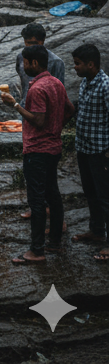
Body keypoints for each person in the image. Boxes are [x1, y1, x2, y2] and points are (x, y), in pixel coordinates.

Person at [0, 44, 67, 264]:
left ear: (34, 63)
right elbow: (70, 109)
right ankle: (55, 242)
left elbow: (37, 120)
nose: (23, 66)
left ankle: (36, 251)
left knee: (37, 200)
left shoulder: (38, 89)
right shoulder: (56, 83)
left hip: (37, 150)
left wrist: (15, 105)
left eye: (25, 62)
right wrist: (55, 128)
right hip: (53, 148)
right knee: (53, 195)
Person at [69, 43, 109, 261]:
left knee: (105, 196)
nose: (74, 68)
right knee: (91, 193)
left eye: (77, 64)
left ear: (91, 64)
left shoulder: (105, 85)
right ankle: (96, 231)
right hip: (84, 148)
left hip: (100, 150)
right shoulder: (85, 82)